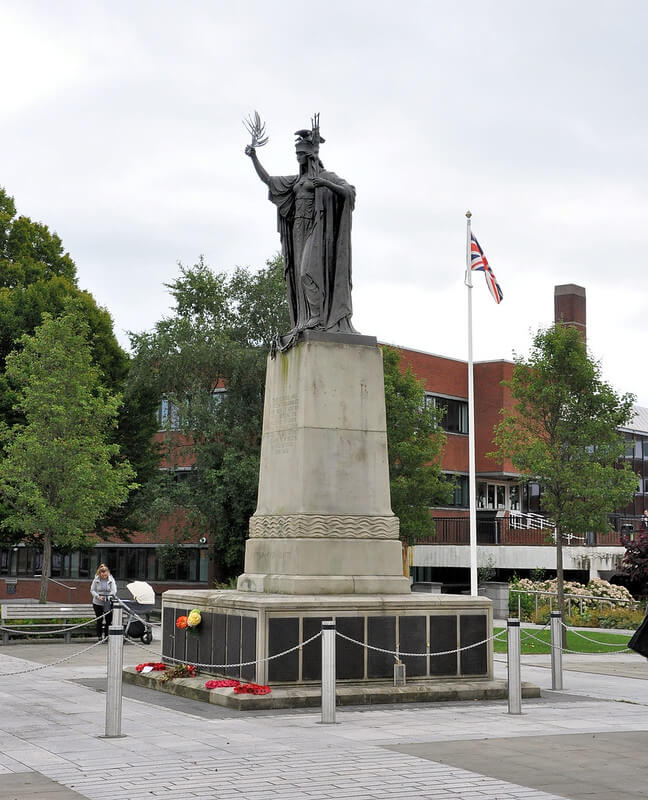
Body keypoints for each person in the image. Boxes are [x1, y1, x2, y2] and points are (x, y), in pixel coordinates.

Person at [245, 114, 356, 351]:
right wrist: (254, 157)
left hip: (317, 229)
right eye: (297, 156)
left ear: (310, 155)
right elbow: (268, 180)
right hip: (298, 230)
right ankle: (306, 319)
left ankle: (317, 316)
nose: (299, 159)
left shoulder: (325, 177)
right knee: (297, 276)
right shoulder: (296, 180)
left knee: (308, 272)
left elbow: (349, 193)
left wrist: (326, 185)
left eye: (301, 155)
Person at [90, 564, 117, 641]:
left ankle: (107, 636)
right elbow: (92, 590)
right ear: (99, 574)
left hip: (107, 601)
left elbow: (114, 591)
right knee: (99, 620)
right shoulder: (96, 580)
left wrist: (109, 597)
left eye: (105, 575)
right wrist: (98, 596)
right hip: (97, 602)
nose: (104, 577)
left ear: (107, 573)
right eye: (102, 575)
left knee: (108, 620)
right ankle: (99, 636)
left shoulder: (111, 580)